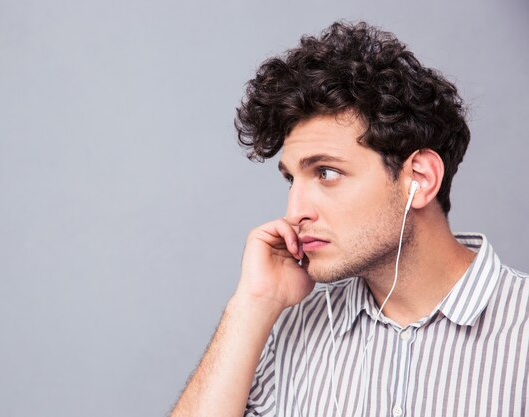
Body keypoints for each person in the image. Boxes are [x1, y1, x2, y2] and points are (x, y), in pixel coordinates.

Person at [170, 21, 528, 417]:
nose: (294, 212)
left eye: (326, 172)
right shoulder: (290, 332)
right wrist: (253, 304)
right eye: (292, 179)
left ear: (420, 180)